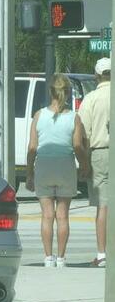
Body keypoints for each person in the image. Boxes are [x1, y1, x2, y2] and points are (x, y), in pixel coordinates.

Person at [26, 74, 89, 268]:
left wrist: (29, 173)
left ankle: (48, 258)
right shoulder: (74, 118)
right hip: (64, 165)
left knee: (46, 215)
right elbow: (77, 145)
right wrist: (85, 164)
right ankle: (61, 258)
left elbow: (32, 148)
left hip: (44, 165)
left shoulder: (39, 115)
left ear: (50, 91)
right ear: (68, 92)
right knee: (62, 215)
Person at [78, 57, 111, 267]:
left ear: (96, 75)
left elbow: (82, 134)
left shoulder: (90, 99)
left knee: (103, 206)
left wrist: (84, 163)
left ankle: (102, 255)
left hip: (99, 153)